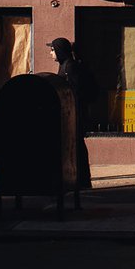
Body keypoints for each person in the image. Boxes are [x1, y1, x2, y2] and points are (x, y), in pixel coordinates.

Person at [48, 37, 93, 190]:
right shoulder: (64, 66)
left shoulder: (70, 67)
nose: (50, 53)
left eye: (53, 49)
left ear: (60, 50)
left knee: (77, 146)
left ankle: (81, 180)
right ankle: (76, 179)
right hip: (70, 114)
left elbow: (76, 92)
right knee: (74, 146)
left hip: (74, 114)